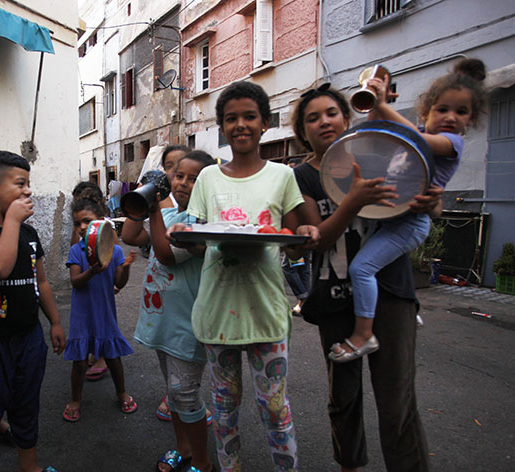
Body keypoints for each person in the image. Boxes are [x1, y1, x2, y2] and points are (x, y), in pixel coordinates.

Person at [167, 81, 319, 472]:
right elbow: (201, 243)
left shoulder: (282, 177)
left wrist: (305, 236)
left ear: (264, 123)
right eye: (231, 118)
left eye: (249, 116)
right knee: (223, 411)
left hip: (266, 313)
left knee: (275, 409)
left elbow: (292, 242)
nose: (240, 125)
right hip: (217, 315)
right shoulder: (208, 180)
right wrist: (185, 237)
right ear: (221, 125)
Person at [290, 83, 443, 471]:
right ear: (301, 131)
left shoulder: (382, 153)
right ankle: (350, 466)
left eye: (331, 113)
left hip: (390, 294)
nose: (323, 122)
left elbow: (418, 203)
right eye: (312, 118)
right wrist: (354, 200)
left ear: (346, 117)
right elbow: (318, 239)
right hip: (334, 299)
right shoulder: (303, 177)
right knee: (343, 401)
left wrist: (433, 204)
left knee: (397, 404)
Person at [330, 58, 487, 362]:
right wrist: (377, 98)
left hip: (408, 224)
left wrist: (381, 104)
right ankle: (408, 310)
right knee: (375, 268)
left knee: (361, 269)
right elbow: (381, 129)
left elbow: (417, 140)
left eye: (461, 112)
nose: (451, 117)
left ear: (470, 119)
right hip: (389, 218)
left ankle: (363, 335)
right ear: (426, 111)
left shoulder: (451, 142)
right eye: (443, 109)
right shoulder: (414, 130)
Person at [0, 150, 65, 472]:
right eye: (20, 184)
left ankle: (28, 466)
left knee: (26, 406)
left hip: (28, 339)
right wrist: (14, 221)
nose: (28, 191)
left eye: (29, 183)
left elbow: (42, 281)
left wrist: (55, 322)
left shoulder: (30, 235)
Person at [122, 150, 216, 472]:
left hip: (186, 324)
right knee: (173, 392)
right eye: (179, 176)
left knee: (184, 392)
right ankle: (183, 448)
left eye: (194, 179)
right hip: (162, 321)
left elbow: (165, 254)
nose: (184, 184)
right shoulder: (171, 216)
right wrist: (143, 198)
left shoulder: (200, 223)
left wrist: (153, 210)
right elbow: (129, 236)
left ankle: (202, 462)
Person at [62, 198, 136, 422]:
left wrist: (124, 268)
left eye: (87, 221)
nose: (82, 227)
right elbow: (75, 282)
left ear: (101, 222)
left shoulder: (113, 251)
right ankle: (76, 398)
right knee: (80, 360)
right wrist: (93, 271)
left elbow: (119, 283)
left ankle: (121, 392)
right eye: (77, 223)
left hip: (104, 311)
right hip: (82, 314)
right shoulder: (76, 251)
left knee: (113, 356)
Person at [70, 180, 114, 381]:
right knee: (88, 319)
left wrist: (116, 278)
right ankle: (91, 350)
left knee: (103, 320)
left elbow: (114, 251)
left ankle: (103, 357)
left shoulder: (105, 225)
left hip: (102, 283)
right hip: (86, 279)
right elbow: (74, 246)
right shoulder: (79, 225)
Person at [159, 145, 190, 209]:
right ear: (165, 170)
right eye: (169, 166)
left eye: (181, 164)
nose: (175, 169)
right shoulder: (159, 197)